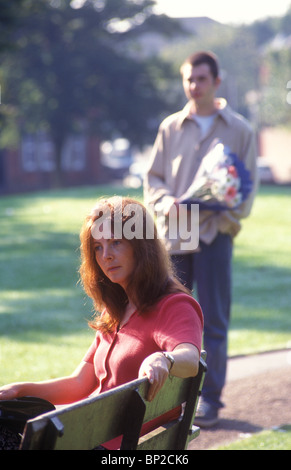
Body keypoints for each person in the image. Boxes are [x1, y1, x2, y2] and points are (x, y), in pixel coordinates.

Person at [0, 196, 203, 449]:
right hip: (98, 438)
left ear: (142, 246)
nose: (106, 256)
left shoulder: (173, 305)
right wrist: (19, 391)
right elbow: (80, 383)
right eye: (97, 247)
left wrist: (165, 358)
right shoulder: (118, 308)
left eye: (116, 242)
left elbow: (190, 358)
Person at [144, 51, 258, 428]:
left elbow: (247, 188)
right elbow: (153, 179)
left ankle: (210, 402)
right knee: (166, 318)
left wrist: (224, 211)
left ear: (217, 82)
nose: (194, 86)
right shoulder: (169, 127)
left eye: (202, 79)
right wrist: (166, 202)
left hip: (214, 234)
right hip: (177, 235)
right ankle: (166, 403)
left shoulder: (240, 129)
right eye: (189, 79)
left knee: (214, 320)